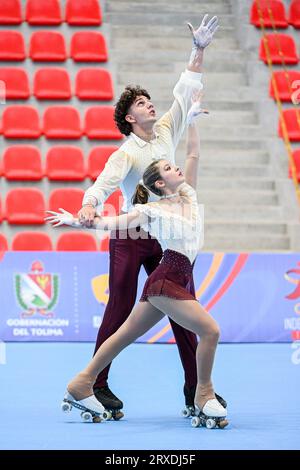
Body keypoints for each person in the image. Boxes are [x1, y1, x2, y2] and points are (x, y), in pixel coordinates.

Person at [45, 95, 228, 429]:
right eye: (141, 103)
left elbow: (192, 153)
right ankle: (199, 390)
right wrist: (82, 213)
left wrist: (197, 61)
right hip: (153, 261)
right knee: (191, 326)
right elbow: (107, 205)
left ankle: (86, 381)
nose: (175, 168)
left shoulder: (187, 193)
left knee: (134, 330)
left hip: (165, 264)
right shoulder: (140, 187)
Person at [72, 14, 220, 417]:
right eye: (140, 104)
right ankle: (96, 384)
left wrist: (198, 51)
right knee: (119, 309)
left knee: (183, 309)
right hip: (129, 234)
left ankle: (197, 390)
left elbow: (185, 91)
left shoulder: (167, 129)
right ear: (130, 119)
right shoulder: (127, 152)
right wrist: (90, 204)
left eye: (147, 99)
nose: (149, 104)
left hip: (163, 236)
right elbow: (104, 183)